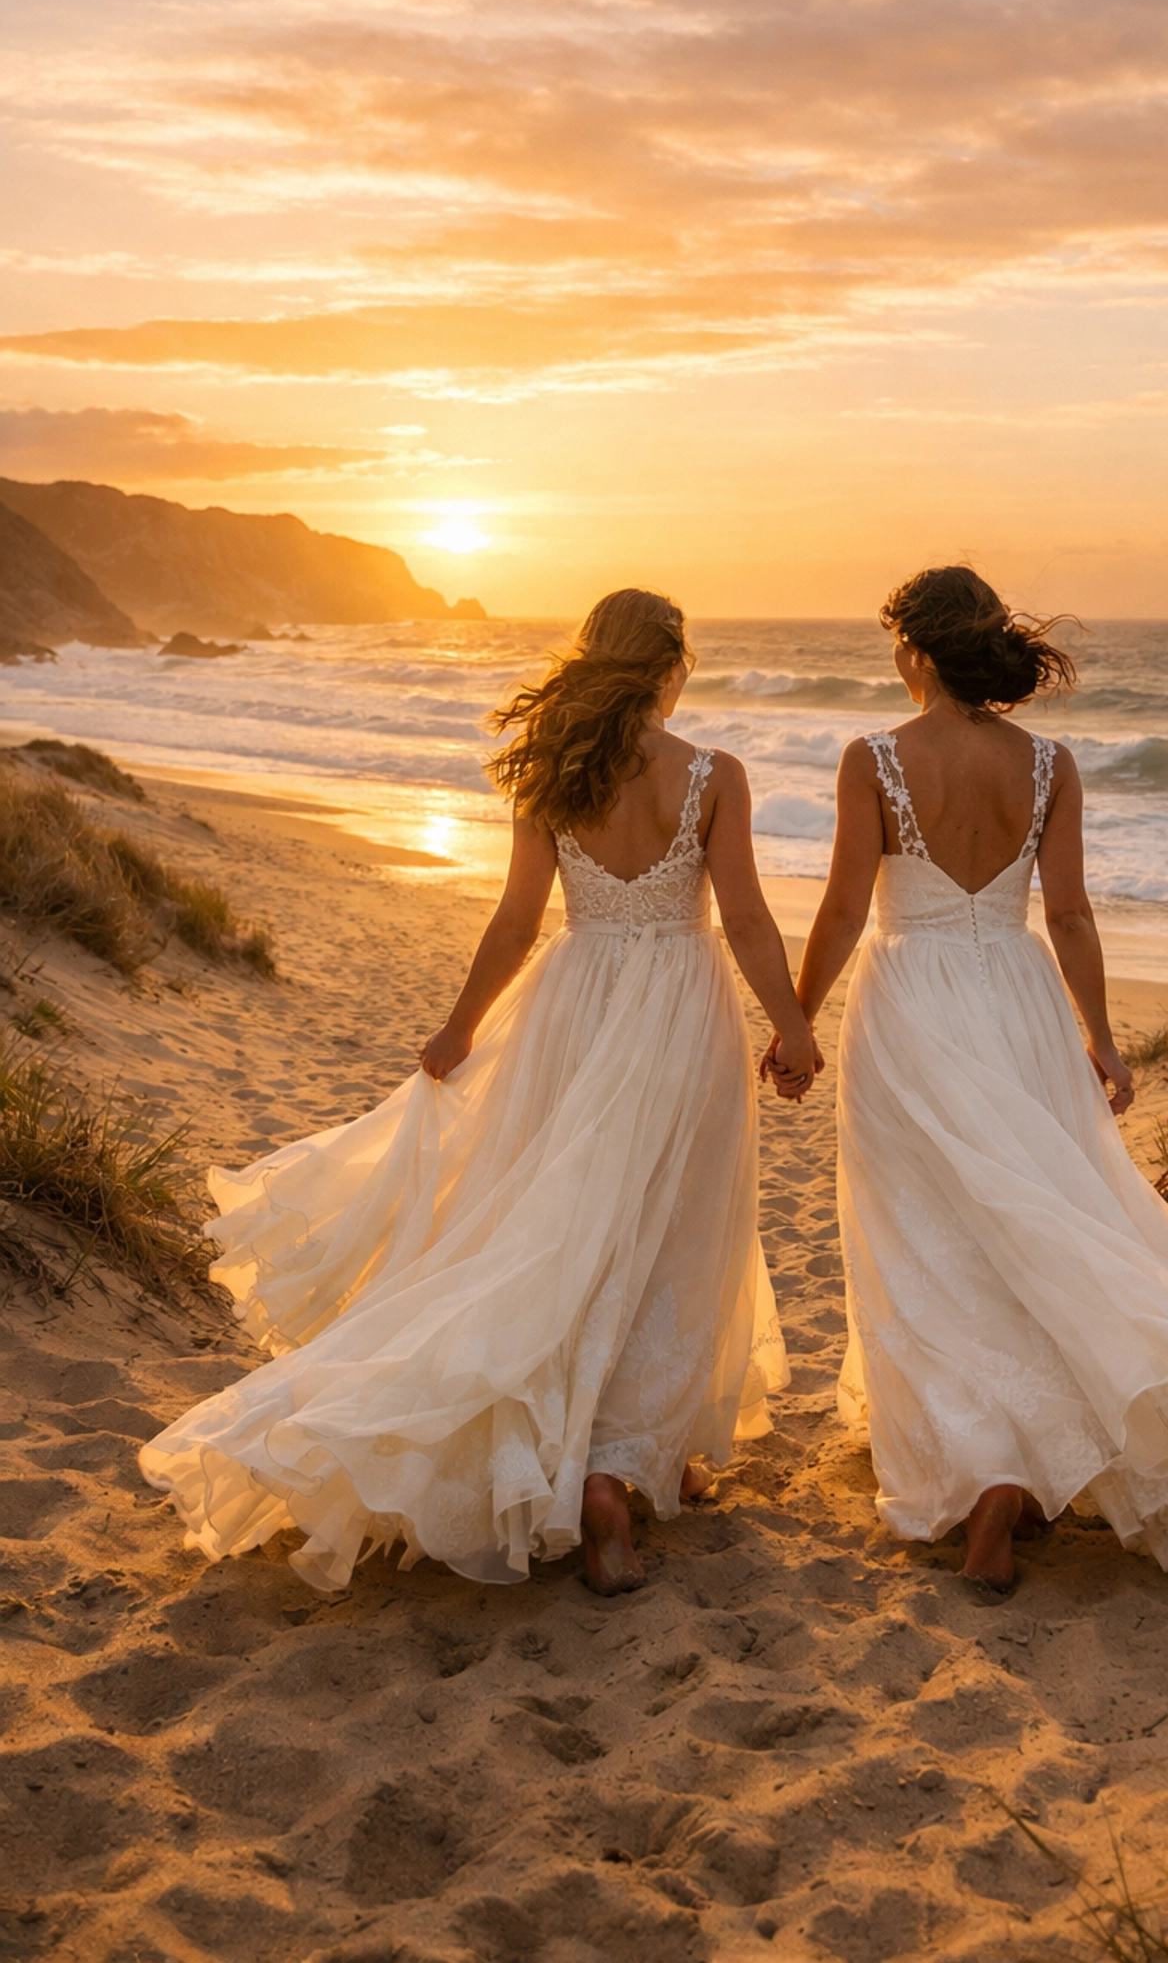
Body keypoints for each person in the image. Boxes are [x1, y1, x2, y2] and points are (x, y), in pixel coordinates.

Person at [142, 588, 813, 1596]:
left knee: (566, 1219)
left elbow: (513, 922)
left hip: (573, 1000)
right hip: (682, 1003)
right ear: (670, 665)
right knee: (672, 1222)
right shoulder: (713, 776)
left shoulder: (550, 773)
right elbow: (751, 919)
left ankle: (611, 1454)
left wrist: (461, 1025)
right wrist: (793, 1025)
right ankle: (621, 1465)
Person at [767, 564, 1168, 1596]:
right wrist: (1100, 1037)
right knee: (1035, 1213)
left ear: (914, 649)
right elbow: (1073, 918)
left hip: (910, 998)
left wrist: (799, 1020)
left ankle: (985, 1469)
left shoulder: (873, 758)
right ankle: (1028, 1466)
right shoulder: (1049, 764)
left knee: (924, 1232)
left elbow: (839, 907)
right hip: (1019, 999)